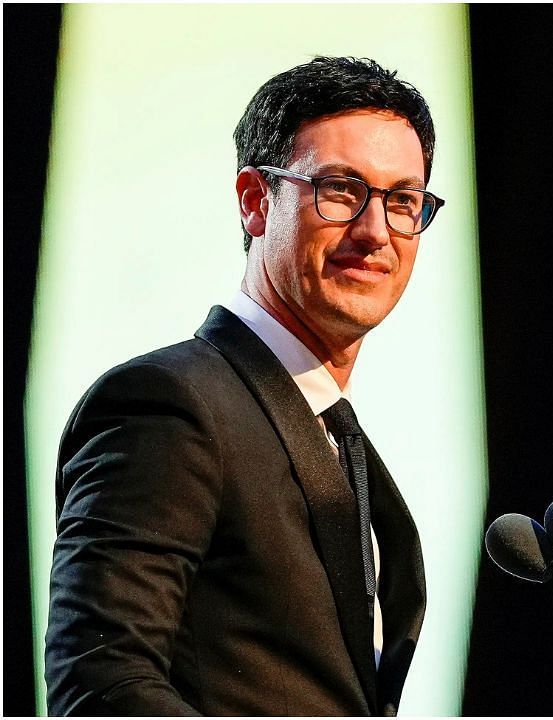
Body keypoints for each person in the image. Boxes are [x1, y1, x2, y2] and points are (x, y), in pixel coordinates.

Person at [45, 56, 443, 715]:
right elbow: (102, 687)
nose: (376, 232)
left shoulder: (341, 439)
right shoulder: (168, 405)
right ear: (256, 202)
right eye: (341, 190)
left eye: (402, 201)